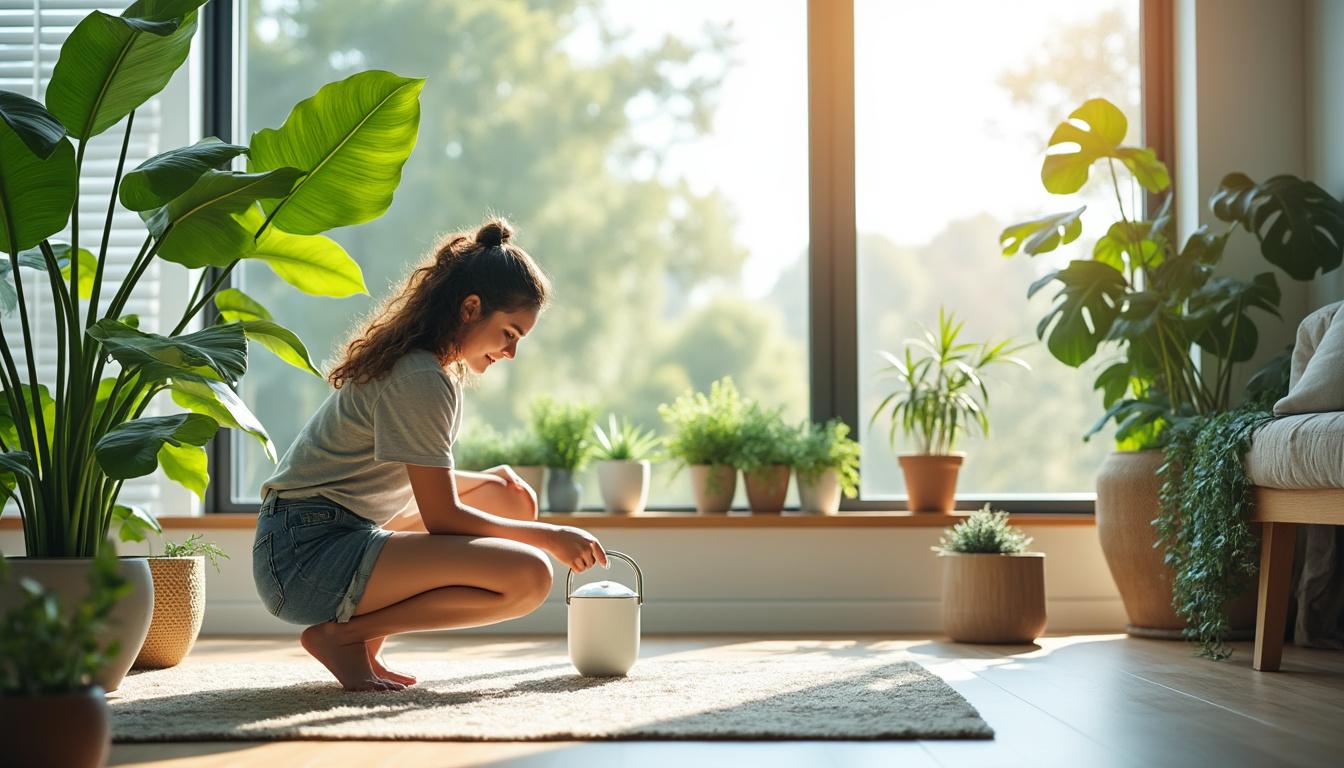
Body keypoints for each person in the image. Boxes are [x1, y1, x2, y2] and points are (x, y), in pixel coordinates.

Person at [252, 217, 608, 691]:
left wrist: (487, 483)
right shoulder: (420, 376)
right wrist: (552, 537)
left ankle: (361, 642)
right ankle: (345, 637)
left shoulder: (428, 367)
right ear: (471, 308)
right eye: (509, 333)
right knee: (530, 577)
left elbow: (398, 478)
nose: (511, 352)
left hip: (322, 533)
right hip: (304, 556)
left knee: (509, 498)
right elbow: (442, 516)